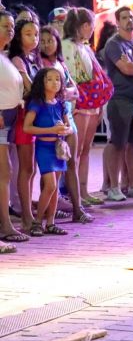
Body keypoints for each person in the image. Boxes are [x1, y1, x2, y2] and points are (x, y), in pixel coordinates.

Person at [39, 26, 92, 223]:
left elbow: (74, 89)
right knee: (50, 168)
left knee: (71, 162)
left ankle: (77, 208)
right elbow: (47, 92)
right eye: (42, 40)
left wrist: (65, 92)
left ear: (57, 41)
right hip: (50, 120)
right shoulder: (39, 64)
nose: (46, 44)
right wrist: (64, 92)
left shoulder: (61, 62)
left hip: (67, 116)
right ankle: (47, 212)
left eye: (50, 40)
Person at [62, 7, 113, 206]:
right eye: (91, 26)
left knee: (85, 149)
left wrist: (99, 104)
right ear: (83, 26)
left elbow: (94, 75)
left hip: (90, 103)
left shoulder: (84, 46)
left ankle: (84, 190)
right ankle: (75, 194)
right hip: (78, 103)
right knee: (76, 150)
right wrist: (74, 104)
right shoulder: (67, 46)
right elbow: (70, 76)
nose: (92, 30)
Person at [102, 7, 133, 201]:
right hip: (120, 99)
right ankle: (113, 186)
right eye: (124, 18)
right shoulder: (114, 44)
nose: (129, 20)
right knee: (118, 143)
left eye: (131, 17)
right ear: (118, 22)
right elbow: (127, 69)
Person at [22, 68, 71, 236]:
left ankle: (50, 223)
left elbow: (69, 126)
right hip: (44, 147)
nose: (55, 82)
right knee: (50, 185)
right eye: (49, 79)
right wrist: (50, 129)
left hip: (58, 148)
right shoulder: (37, 103)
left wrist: (65, 130)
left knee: (55, 187)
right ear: (42, 82)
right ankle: (37, 221)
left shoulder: (60, 103)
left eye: (58, 79)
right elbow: (27, 127)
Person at [9, 19, 41, 235]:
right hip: (23, 117)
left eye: (36, 34)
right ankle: (26, 216)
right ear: (19, 37)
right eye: (29, 34)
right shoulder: (18, 60)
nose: (34, 38)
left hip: (36, 115)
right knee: (25, 167)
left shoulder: (33, 59)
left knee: (31, 168)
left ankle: (29, 210)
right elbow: (31, 87)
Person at [0, 10, 27, 251]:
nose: (10, 29)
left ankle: (6, 223)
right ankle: (6, 225)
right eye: (5, 26)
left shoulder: (6, 56)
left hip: (9, 120)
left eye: (11, 26)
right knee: (4, 171)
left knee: (6, 172)